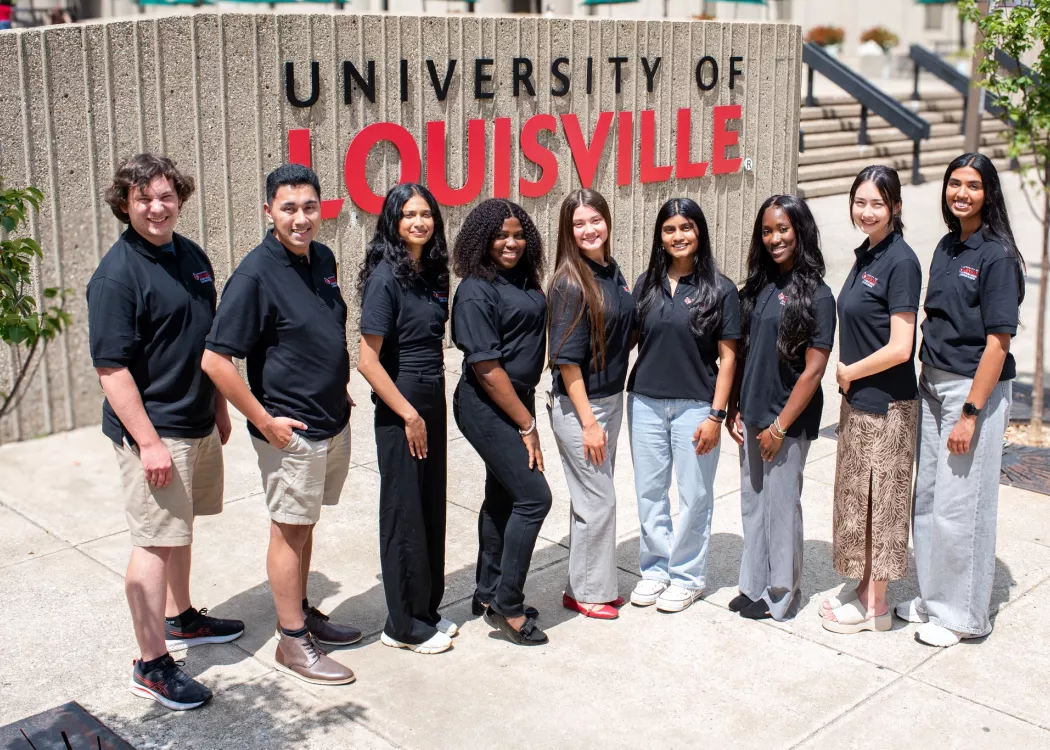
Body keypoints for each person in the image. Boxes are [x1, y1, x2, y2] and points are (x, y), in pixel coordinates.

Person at [88, 153, 244, 711]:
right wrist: (148, 441)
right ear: (124, 205)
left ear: (180, 198)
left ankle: (182, 619)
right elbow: (112, 368)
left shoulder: (191, 256)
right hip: (154, 430)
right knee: (154, 540)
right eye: (143, 198)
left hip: (195, 418)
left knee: (180, 527)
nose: (157, 207)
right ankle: (151, 663)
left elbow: (206, 340)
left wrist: (219, 407)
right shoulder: (117, 274)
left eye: (166, 196)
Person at [202, 164, 358, 686]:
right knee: (288, 529)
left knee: (304, 523)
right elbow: (217, 360)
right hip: (290, 430)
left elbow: (320, 334)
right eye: (288, 208)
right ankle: (292, 641)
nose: (301, 218)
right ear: (268, 211)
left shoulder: (323, 258)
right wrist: (264, 420)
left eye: (309, 207)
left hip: (330, 419)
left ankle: (302, 613)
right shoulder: (255, 274)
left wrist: (339, 387)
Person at [906, 153, 1025, 648]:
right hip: (932, 384)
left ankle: (963, 614)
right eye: (955, 183)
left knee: (963, 506)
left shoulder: (996, 255)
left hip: (969, 390)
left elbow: (999, 341)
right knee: (930, 500)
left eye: (973, 186)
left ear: (988, 193)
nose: (961, 193)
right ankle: (934, 597)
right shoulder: (947, 245)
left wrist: (971, 413)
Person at [821, 166, 922, 635]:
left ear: (896, 207)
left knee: (882, 501)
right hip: (860, 401)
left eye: (877, 203)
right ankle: (865, 588)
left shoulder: (901, 261)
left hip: (888, 405)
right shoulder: (868, 254)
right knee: (859, 500)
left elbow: (903, 347)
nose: (866, 211)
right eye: (860, 202)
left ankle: (877, 607)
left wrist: (848, 371)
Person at [357, 183, 457, 655]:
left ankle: (426, 610)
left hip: (430, 399)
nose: (419, 222)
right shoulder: (385, 278)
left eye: (426, 214)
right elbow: (367, 361)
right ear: (393, 222)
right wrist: (409, 414)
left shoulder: (433, 272)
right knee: (403, 513)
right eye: (409, 215)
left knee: (429, 507)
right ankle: (403, 626)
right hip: (403, 409)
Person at [626, 198, 739, 612]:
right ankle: (656, 569)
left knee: (694, 495)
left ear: (700, 233)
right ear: (660, 235)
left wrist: (716, 414)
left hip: (696, 406)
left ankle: (688, 575)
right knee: (650, 492)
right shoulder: (646, 285)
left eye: (686, 228)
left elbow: (728, 357)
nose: (678, 236)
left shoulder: (720, 289)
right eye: (670, 229)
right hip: (646, 404)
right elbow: (629, 341)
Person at [729, 194, 836, 622]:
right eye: (768, 231)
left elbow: (814, 371)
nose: (775, 238)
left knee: (781, 506)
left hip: (786, 421)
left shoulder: (818, 295)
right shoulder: (759, 286)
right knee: (754, 504)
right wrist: (738, 408)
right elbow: (745, 353)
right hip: (753, 413)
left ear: (801, 231)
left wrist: (779, 426)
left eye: (783, 229)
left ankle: (781, 594)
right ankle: (753, 584)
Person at [451, 199, 552, 646]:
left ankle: (488, 591)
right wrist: (527, 425)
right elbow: (487, 369)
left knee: (504, 496)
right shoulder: (476, 289)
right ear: (481, 240)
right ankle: (507, 605)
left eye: (517, 234)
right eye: (500, 235)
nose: (511, 242)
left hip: (516, 401)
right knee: (534, 498)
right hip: (487, 404)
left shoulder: (523, 280)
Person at [547, 189, 636, 620]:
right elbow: (566, 362)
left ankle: (584, 583)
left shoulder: (610, 271)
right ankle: (587, 591)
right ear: (568, 230)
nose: (589, 229)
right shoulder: (569, 282)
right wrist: (588, 423)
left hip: (609, 401)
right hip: (581, 407)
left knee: (591, 498)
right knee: (599, 501)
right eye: (579, 223)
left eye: (595, 219)